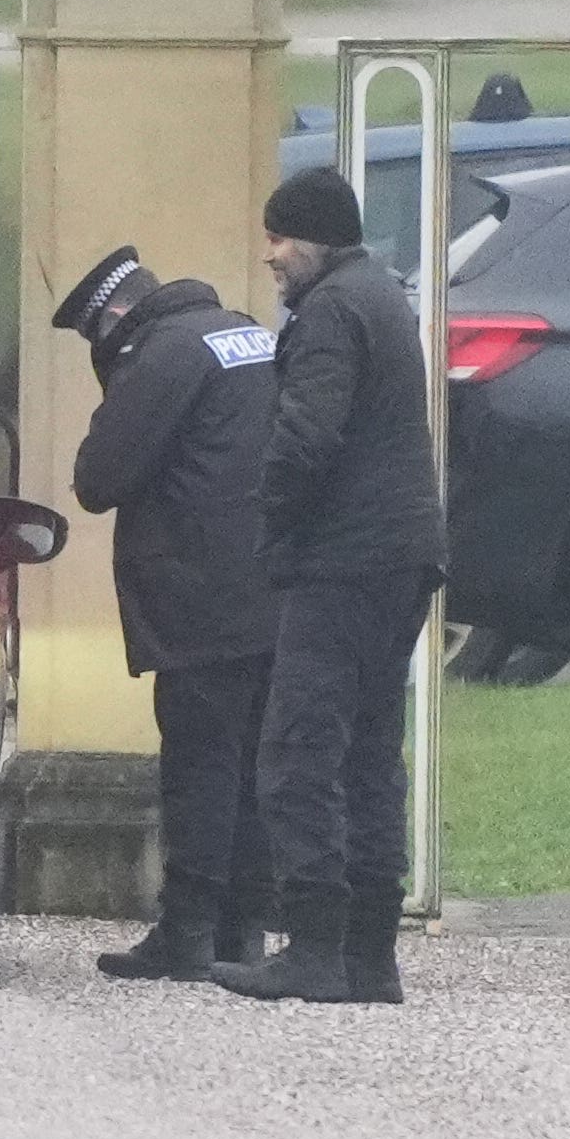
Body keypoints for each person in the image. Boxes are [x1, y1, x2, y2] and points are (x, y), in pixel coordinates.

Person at [213, 166, 445, 1007]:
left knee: (298, 751)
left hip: (343, 561)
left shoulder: (329, 315)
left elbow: (307, 436)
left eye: (279, 237)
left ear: (314, 238)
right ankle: (370, 954)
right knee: (371, 755)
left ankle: (314, 946)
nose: (270, 254)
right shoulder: (380, 297)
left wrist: (272, 528)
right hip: (403, 555)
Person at [54, 243, 280, 982]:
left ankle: (186, 931)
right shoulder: (245, 332)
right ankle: (242, 930)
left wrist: (116, 387)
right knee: (253, 766)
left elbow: (97, 477)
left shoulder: (162, 357)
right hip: (273, 588)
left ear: (112, 321)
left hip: (200, 597)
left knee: (200, 767)